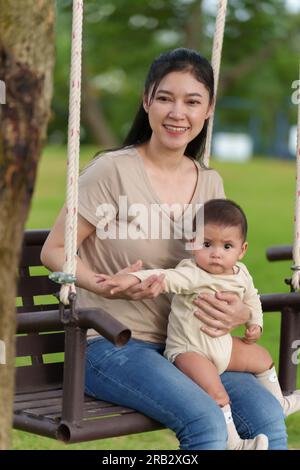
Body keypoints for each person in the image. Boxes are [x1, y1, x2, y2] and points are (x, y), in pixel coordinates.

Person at [41, 48, 287, 450]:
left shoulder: (209, 184)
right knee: (206, 422)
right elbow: (54, 250)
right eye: (165, 98)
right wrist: (102, 285)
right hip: (112, 344)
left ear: (208, 110)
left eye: (192, 102)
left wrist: (241, 311)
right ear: (146, 101)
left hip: (190, 345)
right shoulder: (113, 172)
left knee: (267, 418)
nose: (178, 113)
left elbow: (219, 267)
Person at [99, 198, 300, 449]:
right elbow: (164, 276)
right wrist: (132, 277)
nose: (216, 253)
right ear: (193, 245)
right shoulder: (192, 274)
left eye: (227, 246)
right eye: (207, 244)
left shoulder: (242, 274)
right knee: (217, 394)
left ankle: (279, 401)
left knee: (261, 357)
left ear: (242, 250)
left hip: (222, 347)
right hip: (190, 351)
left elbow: (252, 298)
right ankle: (234, 442)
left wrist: (255, 323)